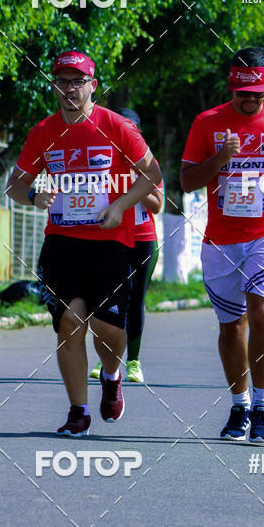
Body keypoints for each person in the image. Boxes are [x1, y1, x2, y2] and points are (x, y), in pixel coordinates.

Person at [6, 50, 162, 435]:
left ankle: (111, 375)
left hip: (110, 243)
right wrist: (33, 196)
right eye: (62, 81)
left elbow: (152, 174)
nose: (69, 89)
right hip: (62, 243)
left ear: (92, 86)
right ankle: (79, 411)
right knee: (69, 323)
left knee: (108, 329)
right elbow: (15, 184)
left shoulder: (116, 126)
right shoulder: (43, 132)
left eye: (77, 82)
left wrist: (120, 205)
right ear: (53, 86)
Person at [180, 47, 264, 442]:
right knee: (230, 326)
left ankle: (262, 405)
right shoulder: (207, 122)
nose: (250, 101)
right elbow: (187, 181)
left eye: (257, 94)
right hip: (221, 240)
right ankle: (239, 405)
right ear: (231, 87)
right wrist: (219, 159)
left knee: (261, 311)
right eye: (243, 94)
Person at [90, 108, 164, 383]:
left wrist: (137, 185)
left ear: (138, 133)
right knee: (109, 299)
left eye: (131, 129)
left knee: (135, 299)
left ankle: (133, 362)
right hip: (111, 237)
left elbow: (157, 205)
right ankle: (106, 359)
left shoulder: (148, 162)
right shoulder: (102, 161)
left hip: (143, 238)